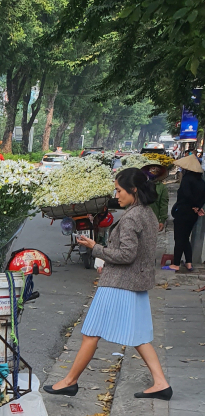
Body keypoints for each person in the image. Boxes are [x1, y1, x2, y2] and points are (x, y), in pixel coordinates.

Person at [43, 166, 171, 401]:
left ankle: (69, 381)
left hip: (119, 284)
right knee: (140, 336)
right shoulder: (148, 213)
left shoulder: (133, 216)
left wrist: (96, 248)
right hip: (136, 283)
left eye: (119, 190)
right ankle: (161, 383)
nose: (117, 195)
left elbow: (126, 255)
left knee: (91, 333)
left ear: (133, 190)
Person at [170, 154, 205, 271]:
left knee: (179, 238)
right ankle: (189, 263)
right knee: (185, 238)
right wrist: (197, 207)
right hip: (193, 214)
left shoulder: (186, 179)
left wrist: (193, 205)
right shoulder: (201, 181)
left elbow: (187, 194)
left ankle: (175, 264)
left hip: (183, 211)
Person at [141, 162, 171, 231]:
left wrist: (162, 220)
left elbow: (163, 205)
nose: (154, 170)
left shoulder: (162, 187)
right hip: (139, 218)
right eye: (152, 168)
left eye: (156, 168)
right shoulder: (140, 184)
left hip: (153, 220)